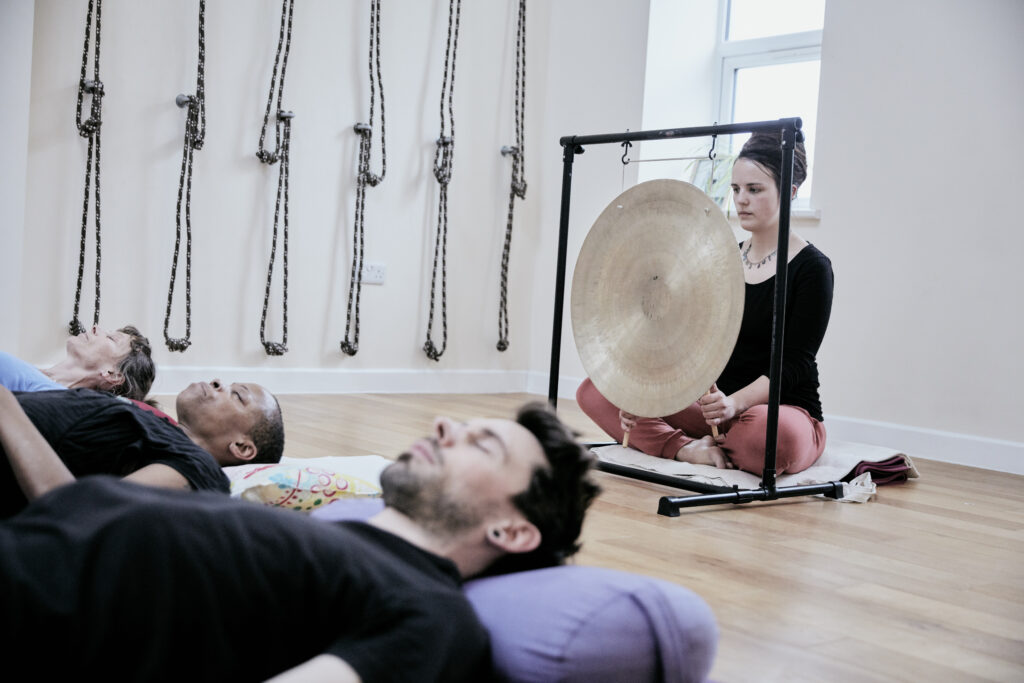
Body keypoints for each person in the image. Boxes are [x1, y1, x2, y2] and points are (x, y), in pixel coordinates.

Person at [0, 397, 599, 682]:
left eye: (482, 444)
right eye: (462, 425)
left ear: (512, 529)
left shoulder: (432, 612)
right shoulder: (338, 531)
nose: (445, 425)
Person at [577, 132, 834, 475]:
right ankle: (686, 449)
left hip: (779, 409)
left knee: (769, 438)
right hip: (712, 409)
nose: (741, 200)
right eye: (736, 189)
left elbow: (796, 364)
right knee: (597, 389)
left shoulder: (812, 267)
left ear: (789, 191)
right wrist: (639, 393)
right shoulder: (720, 258)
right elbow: (685, 339)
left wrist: (734, 404)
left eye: (754, 189)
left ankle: (726, 442)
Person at [0, 378, 285, 518]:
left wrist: (5, 406)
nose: (217, 382)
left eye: (237, 395)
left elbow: (74, 512)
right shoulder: (156, 425)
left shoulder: (197, 466)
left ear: (242, 447)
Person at [0, 324, 156, 401]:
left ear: (113, 375)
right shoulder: (32, 375)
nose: (95, 327)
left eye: (111, 338)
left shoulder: (55, 399)